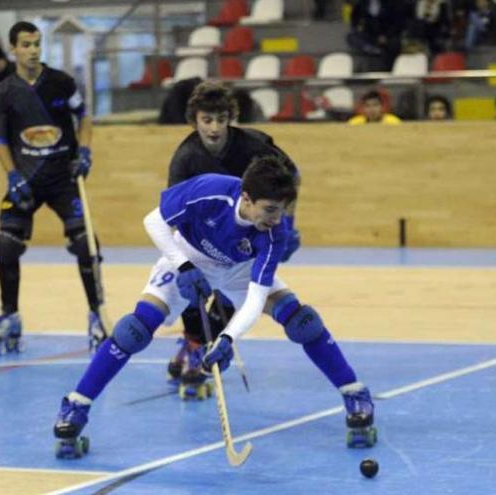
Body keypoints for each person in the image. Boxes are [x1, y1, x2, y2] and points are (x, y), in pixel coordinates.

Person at [52, 155, 378, 458]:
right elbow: (154, 221)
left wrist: (227, 339)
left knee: (302, 322)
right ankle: (75, 406)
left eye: (281, 210)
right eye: (269, 210)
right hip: (189, 255)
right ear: (246, 199)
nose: (277, 219)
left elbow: (255, 297)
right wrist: (183, 266)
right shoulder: (210, 190)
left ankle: (355, 393)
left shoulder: (274, 232)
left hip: (240, 270)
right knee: (133, 330)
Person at [164, 81, 300, 393]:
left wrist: (287, 223)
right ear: (194, 119)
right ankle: (193, 342)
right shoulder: (185, 158)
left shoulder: (254, 145)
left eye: (221, 120)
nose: (214, 128)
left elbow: (292, 177)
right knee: (190, 287)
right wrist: (182, 261)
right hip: (202, 236)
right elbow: (172, 215)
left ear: (230, 118)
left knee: (231, 293)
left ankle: (204, 345)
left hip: (249, 235)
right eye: (206, 120)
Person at [0, 22, 104, 355]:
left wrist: (84, 150)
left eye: (37, 43)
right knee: (5, 245)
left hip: (62, 182)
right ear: (14, 49)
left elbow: (83, 116)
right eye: (26, 44)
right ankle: (10, 317)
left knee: (87, 245)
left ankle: (97, 315)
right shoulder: (2, 93)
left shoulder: (62, 83)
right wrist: (12, 176)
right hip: (24, 181)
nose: (33, 50)